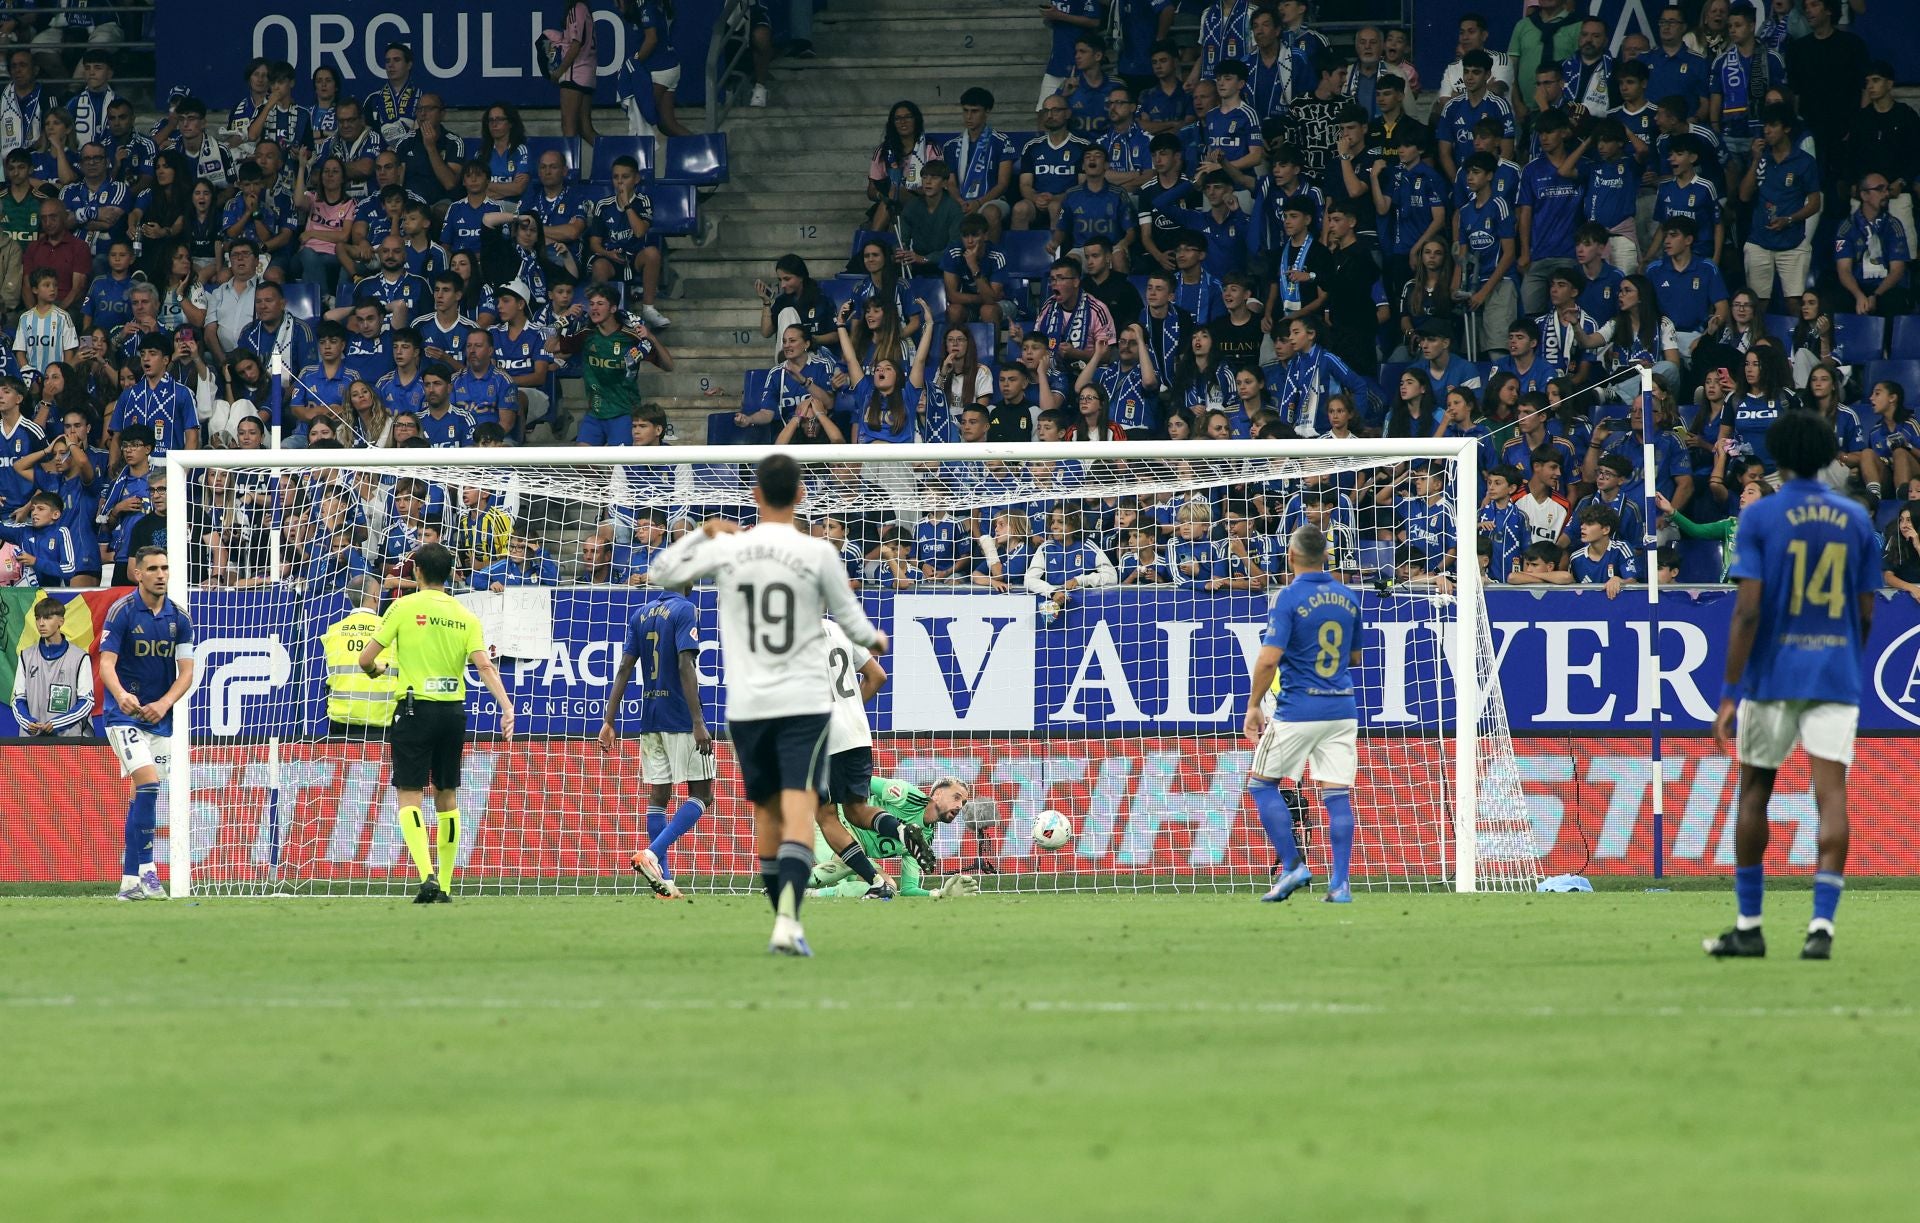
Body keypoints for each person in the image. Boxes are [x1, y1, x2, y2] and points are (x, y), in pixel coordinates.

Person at [649, 453, 890, 957]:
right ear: (800, 496)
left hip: (751, 703)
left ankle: (779, 912)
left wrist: (702, 532)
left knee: (767, 814)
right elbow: (854, 622)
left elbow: (660, 572)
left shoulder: (733, 550)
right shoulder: (819, 552)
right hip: (803, 703)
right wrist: (876, 639)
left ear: (755, 496)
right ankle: (787, 921)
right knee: (802, 809)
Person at [1706, 412, 1880, 961]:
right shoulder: (1855, 519)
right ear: (1831, 454)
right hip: (1835, 671)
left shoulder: (1761, 516)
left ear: (1778, 454)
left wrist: (1731, 691)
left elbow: (1748, 610)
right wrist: (1844, 657)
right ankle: (1821, 929)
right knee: (1832, 795)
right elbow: (1867, 613)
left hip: (1773, 674)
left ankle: (1750, 926)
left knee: (1755, 790)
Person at [360, 541, 515, 904]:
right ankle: (445, 885)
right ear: (449, 575)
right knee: (447, 796)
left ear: (416, 572)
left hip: (414, 710)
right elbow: (484, 665)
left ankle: (426, 874)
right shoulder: (465, 616)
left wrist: (376, 670)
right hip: (452, 712)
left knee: (409, 795)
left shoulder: (403, 605)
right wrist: (506, 706)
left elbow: (367, 658)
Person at [1243, 522, 1362, 904]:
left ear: (1291, 556)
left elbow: (1268, 660)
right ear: (1326, 555)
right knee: (1336, 794)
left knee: (1262, 784)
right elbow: (1355, 656)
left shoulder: (1288, 598)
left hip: (1297, 709)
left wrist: (1253, 706)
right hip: (1342, 708)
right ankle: (1340, 884)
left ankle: (1294, 866)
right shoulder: (1348, 596)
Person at [598, 587, 713, 900]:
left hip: (649, 717)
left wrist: (609, 720)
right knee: (703, 794)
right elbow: (684, 665)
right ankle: (652, 853)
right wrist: (698, 721)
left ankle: (666, 881)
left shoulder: (641, 613)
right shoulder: (685, 609)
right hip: (680, 717)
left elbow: (624, 668)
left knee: (659, 796)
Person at [98, 548, 196, 901]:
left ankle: (128, 884)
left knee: (143, 795)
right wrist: (122, 695)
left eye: (165, 568)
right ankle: (148, 870)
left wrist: (165, 703)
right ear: (137, 573)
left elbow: (187, 671)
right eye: (152, 568)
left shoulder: (180, 618)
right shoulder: (122, 611)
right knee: (150, 784)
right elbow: (106, 663)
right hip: (124, 716)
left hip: (159, 716)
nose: (160, 574)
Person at [809, 776, 978, 899]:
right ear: (938, 794)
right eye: (956, 797)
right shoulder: (907, 796)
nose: (959, 806)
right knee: (852, 857)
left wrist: (939, 893)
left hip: (855, 853)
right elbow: (858, 781)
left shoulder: (924, 839)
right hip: (832, 826)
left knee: (887, 887)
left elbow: (908, 889)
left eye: (963, 803)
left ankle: (808, 893)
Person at [11, 595, 93, 737]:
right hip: (33, 741)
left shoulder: (80, 657)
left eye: (47, 618)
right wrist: (27, 722)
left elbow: (87, 702)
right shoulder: (26, 656)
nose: (41, 623)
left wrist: (57, 723)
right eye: (38, 618)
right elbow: (18, 699)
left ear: (61, 621)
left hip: (68, 741)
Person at [321, 586, 395, 737]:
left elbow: (329, 672)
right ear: (375, 595)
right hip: (383, 719)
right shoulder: (389, 629)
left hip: (342, 720)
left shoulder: (333, 631)